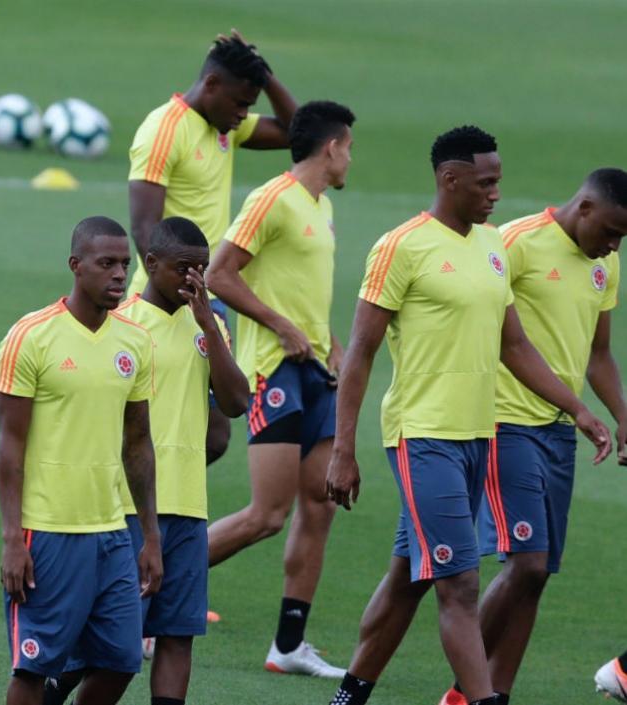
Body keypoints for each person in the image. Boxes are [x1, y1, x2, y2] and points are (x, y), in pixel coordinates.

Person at [324, 125, 612, 705]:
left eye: (498, 182)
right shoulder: (400, 246)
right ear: (449, 179)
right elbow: (360, 352)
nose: (496, 193)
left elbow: (514, 346)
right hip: (422, 435)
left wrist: (578, 409)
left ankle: (349, 695)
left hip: (478, 436)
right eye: (486, 182)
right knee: (459, 585)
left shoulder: (490, 247)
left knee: (410, 575)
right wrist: (342, 449)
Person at [437, 168, 627, 705]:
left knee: (537, 577)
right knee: (527, 563)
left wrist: (621, 412)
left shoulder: (604, 263)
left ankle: (497, 693)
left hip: (559, 433)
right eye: (610, 231)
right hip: (503, 421)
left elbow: (598, 354)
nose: (614, 246)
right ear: (584, 208)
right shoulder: (515, 243)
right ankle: (465, 694)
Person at [44, 217, 247, 705]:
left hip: (190, 507)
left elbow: (237, 402)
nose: (192, 280)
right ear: (151, 265)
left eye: (201, 270)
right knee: (112, 646)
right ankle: (48, 691)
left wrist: (208, 327)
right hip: (129, 507)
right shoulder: (124, 324)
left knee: (178, 635)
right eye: (183, 269)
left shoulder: (210, 325)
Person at [204, 100, 354, 677]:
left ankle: (288, 646)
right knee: (267, 514)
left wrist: (330, 342)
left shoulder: (321, 208)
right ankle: (141, 589)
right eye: (349, 149)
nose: (350, 161)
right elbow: (220, 273)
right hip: (273, 370)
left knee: (320, 504)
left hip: (317, 372)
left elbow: (300, 289)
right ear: (332, 147)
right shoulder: (272, 198)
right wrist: (281, 326)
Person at [0, 216, 162, 705]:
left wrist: (150, 535)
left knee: (120, 660)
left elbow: (138, 443)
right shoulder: (31, 337)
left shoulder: (134, 342)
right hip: (46, 530)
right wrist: (12, 538)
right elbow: (9, 447)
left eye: (124, 265)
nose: (118, 275)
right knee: (33, 666)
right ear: (76, 266)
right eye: (105, 263)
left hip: (111, 531)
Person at [128, 30, 297, 467]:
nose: (245, 114)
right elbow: (145, 228)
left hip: (205, 298)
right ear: (212, 85)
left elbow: (298, 133)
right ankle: (139, 507)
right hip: (162, 299)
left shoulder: (225, 128)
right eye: (241, 102)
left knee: (215, 434)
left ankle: (157, 502)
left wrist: (263, 72)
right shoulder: (165, 130)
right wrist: (177, 297)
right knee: (152, 419)